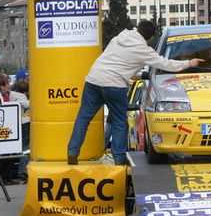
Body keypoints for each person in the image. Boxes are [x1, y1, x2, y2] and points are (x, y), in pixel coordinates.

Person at [67, 21, 204, 165]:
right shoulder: (143, 50)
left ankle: (72, 153)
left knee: (83, 118)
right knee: (119, 122)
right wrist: (189, 63)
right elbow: (165, 63)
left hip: (94, 79)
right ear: (150, 38)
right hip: (114, 85)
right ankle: (119, 160)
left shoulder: (121, 36)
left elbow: (119, 60)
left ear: (137, 28)